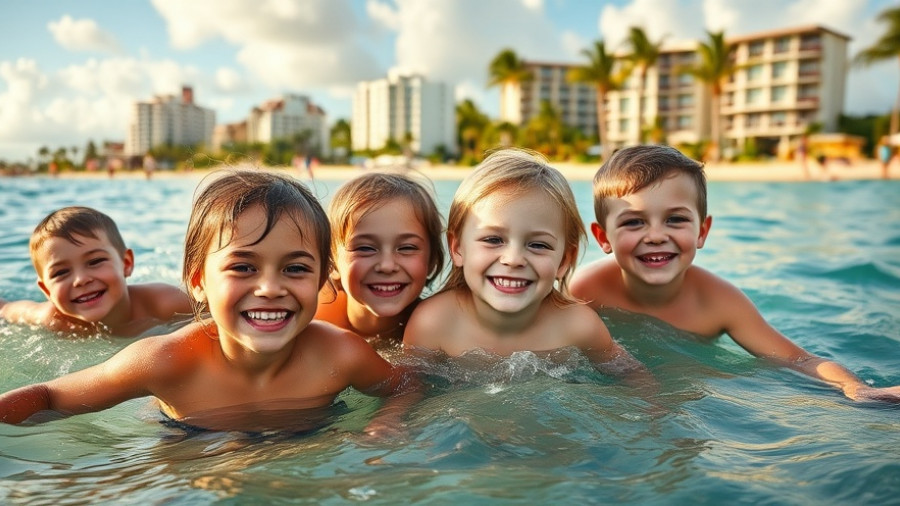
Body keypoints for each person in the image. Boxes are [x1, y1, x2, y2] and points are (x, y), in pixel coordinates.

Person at [0, 170, 409, 432]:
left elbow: (406, 387)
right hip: (189, 444)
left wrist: (387, 425)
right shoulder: (165, 362)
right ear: (198, 281)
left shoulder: (341, 354)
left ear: (321, 280)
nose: (270, 288)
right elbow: (52, 396)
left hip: (306, 439)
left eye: (295, 268)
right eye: (243, 267)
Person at [570, 144, 900, 403]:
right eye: (634, 222)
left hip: (694, 388)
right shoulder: (586, 289)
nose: (656, 235)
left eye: (675, 219)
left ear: (702, 231)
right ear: (603, 238)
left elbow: (797, 360)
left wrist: (856, 388)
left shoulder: (720, 301)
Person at [403, 149, 646, 378]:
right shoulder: (434, 323)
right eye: (493, 240)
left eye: (538, 245)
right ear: (457, 248)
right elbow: (409, 392)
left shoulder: (578, 327)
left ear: (564, 260)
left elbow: (635, 379)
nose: (513, 259)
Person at [0, 206, 192, 337]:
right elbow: (6, 309)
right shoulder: (52, 319)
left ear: (126, 264)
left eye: (95, 261)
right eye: (60, 273)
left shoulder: (163, 303)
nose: (81, 280)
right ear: (46, 290)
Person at [315, 172, 445, 345]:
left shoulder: (440, 331)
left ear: (432, 260)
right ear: (331, 262)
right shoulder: (312, 322)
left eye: (406, 248)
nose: (387, 266)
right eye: (365, 248)